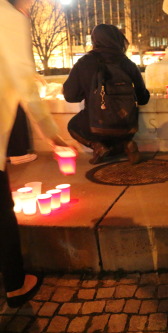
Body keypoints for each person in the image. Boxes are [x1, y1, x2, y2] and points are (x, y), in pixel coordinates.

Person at [1, 0, 70, 308]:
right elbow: (25, 83)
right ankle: (16, 284)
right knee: (2, 214)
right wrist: (52, 135)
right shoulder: (8, 16)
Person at [64, 24, 150, 165]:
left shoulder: (84, 62)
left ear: (94, 40)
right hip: (127, 126)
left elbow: (70, 96)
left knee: (73, 125)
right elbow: (143, 99)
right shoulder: (128, 63)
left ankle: (98, 146)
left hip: (96, 126)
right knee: (118, 128)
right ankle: (127, 144)